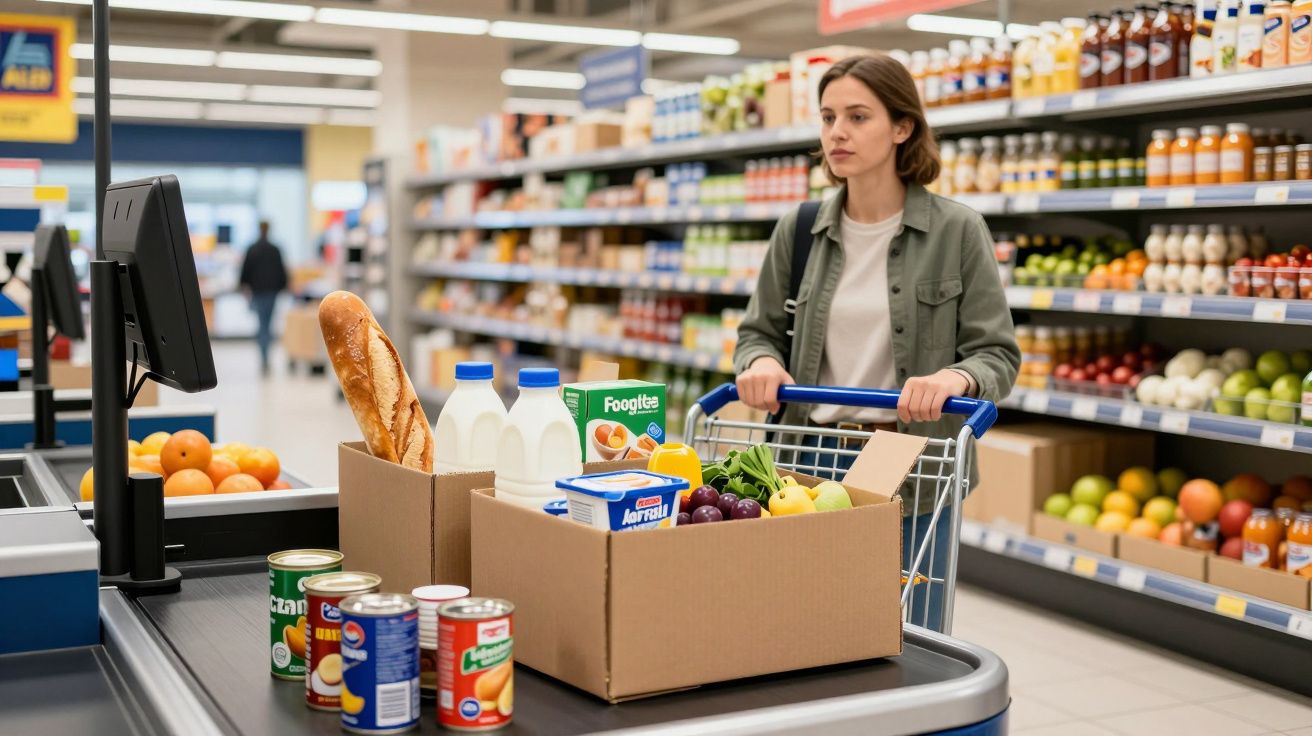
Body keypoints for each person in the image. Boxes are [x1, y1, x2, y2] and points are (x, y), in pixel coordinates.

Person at [732, 55, 1020, 632]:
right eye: (828, 116)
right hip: (806, 457)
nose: (837, 132)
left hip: (909, 456)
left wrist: (955, 379)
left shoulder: (957, 231)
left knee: (911, 630)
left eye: (859, 116)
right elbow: (756, 333)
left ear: (902, 127)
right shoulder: (800, 228)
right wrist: (760, 360)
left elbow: (997, 355)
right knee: (804, 626)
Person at [239, 221, 289, 376]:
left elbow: (245, 270)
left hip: (258, 291)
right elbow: (282, 270)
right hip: (272, 292)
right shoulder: (275, 249)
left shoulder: (252, 249)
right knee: (268, 324)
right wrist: (283, 287)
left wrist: (243, 286)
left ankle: (264, 358)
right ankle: (266, 357)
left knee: (262, 324)